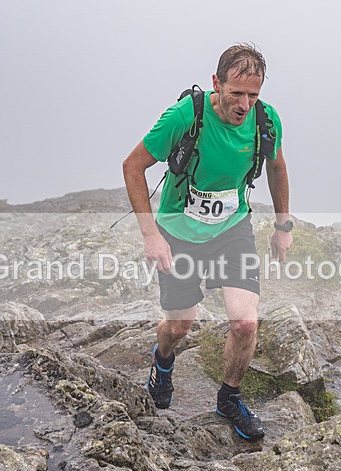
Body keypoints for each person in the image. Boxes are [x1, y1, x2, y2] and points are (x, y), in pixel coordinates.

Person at [121, 44, 293, 440]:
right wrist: (151, 235)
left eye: (254, 95)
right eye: (237, 93)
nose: (245, 104)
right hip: (178, 233)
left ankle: (229, 397)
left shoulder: (266, 121)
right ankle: (163, 362)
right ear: (217, 83)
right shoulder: (185, 117)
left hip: (232, 230)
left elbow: (278, 167)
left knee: (246, 322)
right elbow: (133, 166)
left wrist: (283, 226)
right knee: (180, 325)